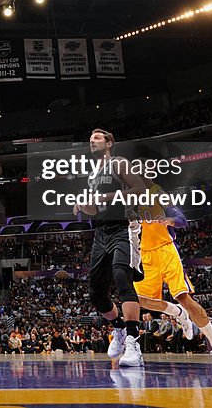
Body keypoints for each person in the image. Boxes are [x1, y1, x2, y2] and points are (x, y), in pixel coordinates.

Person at [74, 128, 147, 367]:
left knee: (121, 275)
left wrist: (103, 199)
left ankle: (133, 342)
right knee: (96, 293)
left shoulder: (119, 163)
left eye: (96, 138)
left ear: (109, 143)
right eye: (90, 139)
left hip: (124, 226)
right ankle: (119, 329)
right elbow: (96, 209)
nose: (91, 141)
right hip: (101, 231)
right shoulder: (92, 175)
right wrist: (85, 207)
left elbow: (139, 189)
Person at [132, 190, 212, 361]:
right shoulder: (124, 199)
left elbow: (182, 220)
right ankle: (178, 313)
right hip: (144, 254)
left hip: (166, 249)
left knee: (183, 297)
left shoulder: (159, 194)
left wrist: (170, 220)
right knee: (139, 300)